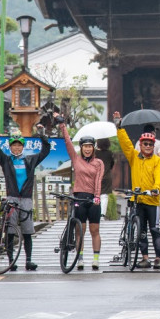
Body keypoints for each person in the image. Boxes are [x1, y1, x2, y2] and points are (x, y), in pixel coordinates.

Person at [0, 121, 52, 271]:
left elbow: (45, 152)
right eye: (14, 145)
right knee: (10, 231)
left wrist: (42, 136)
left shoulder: (29, 160)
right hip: (12, 199)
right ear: (10, 147)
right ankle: (11, 261)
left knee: (27, 231)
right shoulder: (6, 160)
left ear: (23, 147)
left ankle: (28, 261)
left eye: (19, 145)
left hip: (26, 200)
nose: (16, 148)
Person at [113, 111, 160, 269]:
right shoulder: (134, 157)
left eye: (150, 145)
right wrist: (119, 127)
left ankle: (157, 258)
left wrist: (156, 188)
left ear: (153, 146)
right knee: (141, 230)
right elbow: (126, 144)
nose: (148, 147)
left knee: (154, 229)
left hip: (152, 200)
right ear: (141, 145)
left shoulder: (157, 161)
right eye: (145, 144)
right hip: (138, 199)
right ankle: (145, 258)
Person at [57, 113, 106, 270]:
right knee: (80, 230)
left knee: (94, 229)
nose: (87, 149)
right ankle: (80, 258)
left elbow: (98, 180)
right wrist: (62, 125)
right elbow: (68, 143)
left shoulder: (98, 163)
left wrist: (97, 196)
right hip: (78, 196)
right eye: (85, 146)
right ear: (82, 148)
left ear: (93, 148)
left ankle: (96, 259)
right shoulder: (76, 159)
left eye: (90, 146)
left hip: (93, 198)